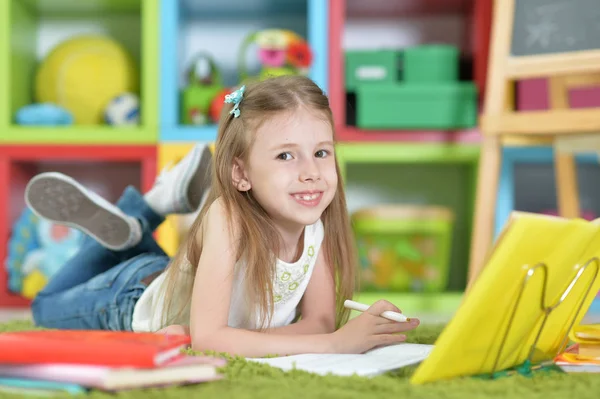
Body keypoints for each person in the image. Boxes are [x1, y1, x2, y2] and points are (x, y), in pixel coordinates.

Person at [25, 75, 420, 357]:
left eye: (321, 152)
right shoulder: (227, 217)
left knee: (143, 259)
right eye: (286, 155)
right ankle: (146, 211)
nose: (311, 172)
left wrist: (324, 335)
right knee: (44, 308)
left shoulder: (312, 226)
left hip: (175, 278)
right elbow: (212, 340)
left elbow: (317, 322)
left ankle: (138, 227)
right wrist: (334, 344)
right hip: (130, 298)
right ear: (240, 173)